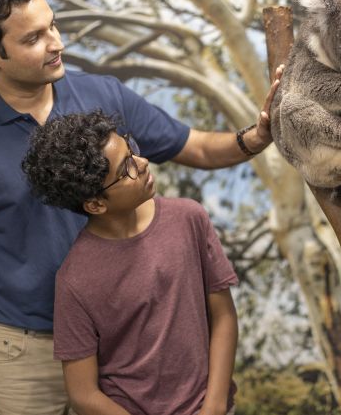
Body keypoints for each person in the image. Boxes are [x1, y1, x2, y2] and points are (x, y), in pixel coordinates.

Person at [0, 0, 279, 415]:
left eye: (52, 25)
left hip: (125, 345)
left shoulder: (101, 95)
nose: (56, 43)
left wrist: (257, 137)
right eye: (34, 38)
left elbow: (196, 146)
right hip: (20, 354)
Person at [21, 110, 238, 415]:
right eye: (126, 169)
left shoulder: (190, 218)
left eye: (131, 149)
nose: (143, 162)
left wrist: (213, 407)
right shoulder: (74, 280)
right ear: (96, 204)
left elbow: (224, 318)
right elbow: (83, 394)